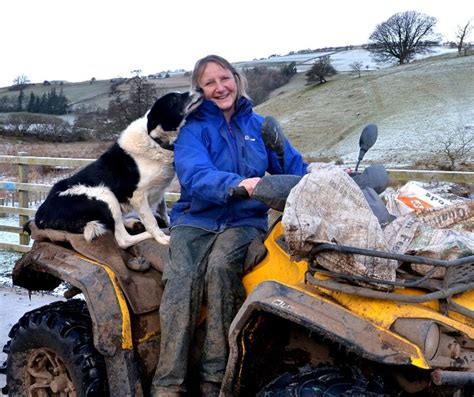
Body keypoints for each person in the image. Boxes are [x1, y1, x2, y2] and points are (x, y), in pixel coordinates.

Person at [152, 54, 307, 397]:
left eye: (225, 78)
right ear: (200, 90)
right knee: (181, 280)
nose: (220, 87)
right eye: (210, 83)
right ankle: (168, 383)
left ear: (236, 79)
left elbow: (294, 168)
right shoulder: (192, 130)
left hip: (244, 221)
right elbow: (196, 174)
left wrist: (323, 177)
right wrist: (240, 185)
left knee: (222, 269)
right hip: (197, 219)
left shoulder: (260, 126)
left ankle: (215, 377)